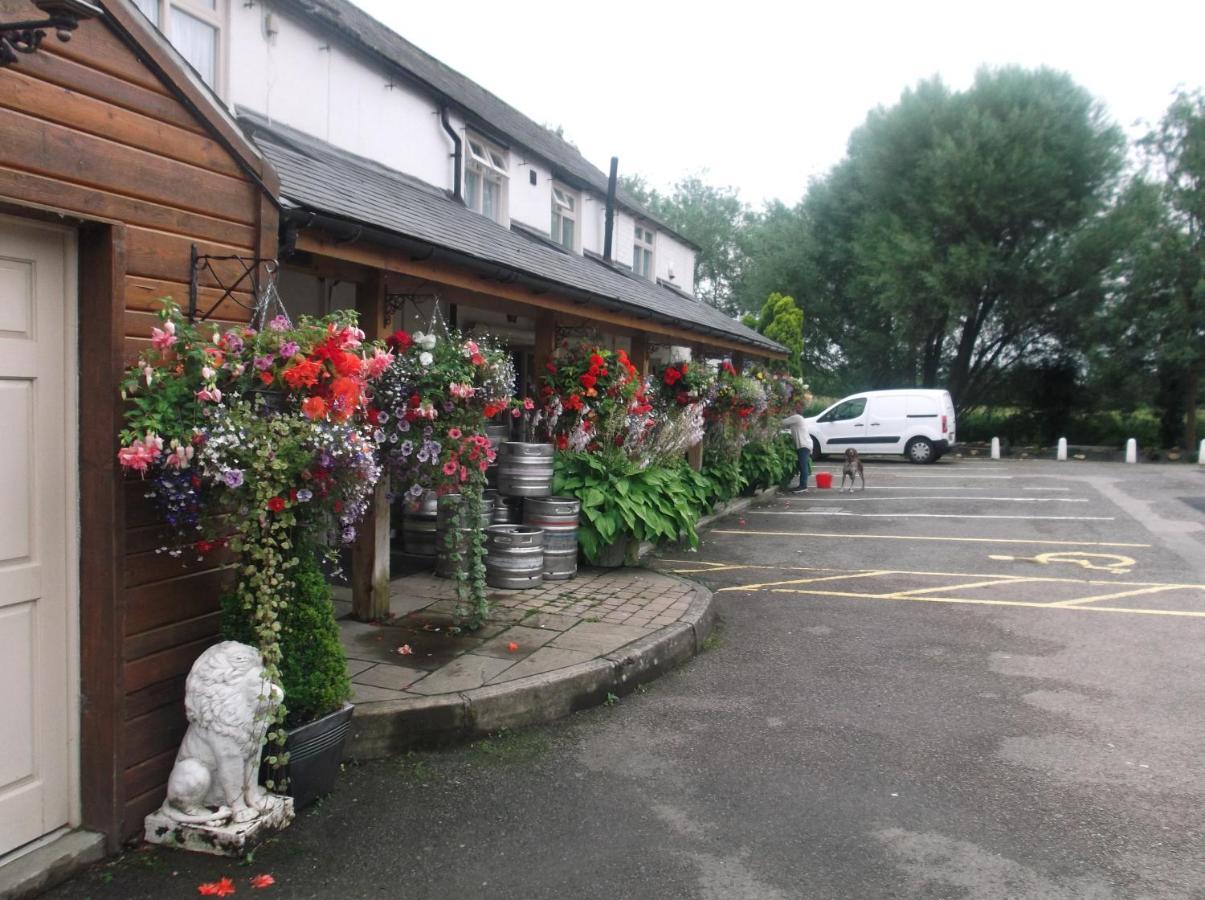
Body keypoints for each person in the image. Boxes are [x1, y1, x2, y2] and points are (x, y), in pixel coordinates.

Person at [781, 411, 811, 494]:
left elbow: (782, 422)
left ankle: (803, 486)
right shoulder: (798, 419)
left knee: (803, 466)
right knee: (802, 465)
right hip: (804, 445)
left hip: (803, 445)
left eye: (790, 411)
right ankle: (802, 485)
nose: (788, 413)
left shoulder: (796, 417)